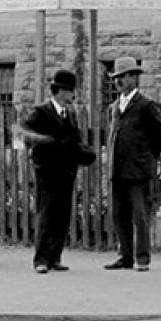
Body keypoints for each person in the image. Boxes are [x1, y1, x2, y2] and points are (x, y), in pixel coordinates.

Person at [18, 67, 96, 273]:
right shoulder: (41, 112)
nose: (73, 95)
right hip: (47, 174)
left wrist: (85, 153)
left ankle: (54, 257)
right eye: (71, 91)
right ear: (61, 90)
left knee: (62, 215)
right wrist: (45, 150)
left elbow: (75, 140)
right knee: (47, 215)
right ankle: (41, 259)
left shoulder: (70, 114)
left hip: (67, 173)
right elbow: (25, 135)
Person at [104, 56, 161, 273]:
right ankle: (125, 256)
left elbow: (159, 136)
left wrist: (148, 158)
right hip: (118, 169)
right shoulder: (114, 107)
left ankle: (142, 258)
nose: (118, 81)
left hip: (139, 171)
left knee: (140, 215)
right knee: (119, 215)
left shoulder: (146, 105)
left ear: (134, 77)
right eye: (116, 77)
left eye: (123, 76)